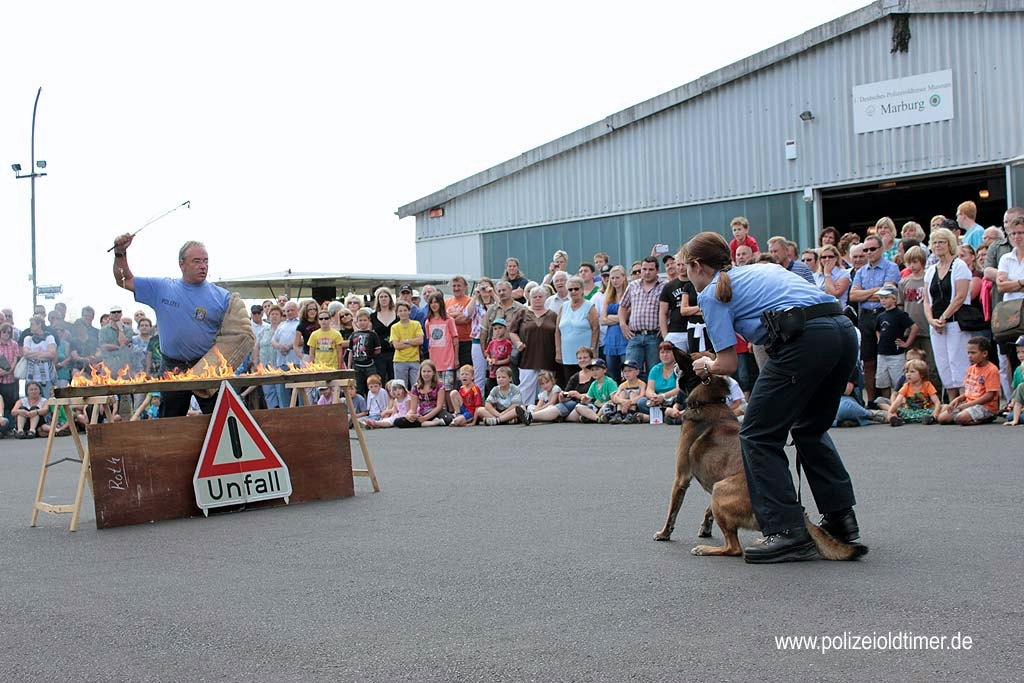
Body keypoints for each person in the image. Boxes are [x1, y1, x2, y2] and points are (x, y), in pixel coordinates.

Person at [681, 231, 863, 564]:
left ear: (696, 265)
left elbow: (727, 363)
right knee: (810, 428)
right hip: (843, 332)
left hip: (805, 341)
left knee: (757, 433)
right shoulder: (764, 268)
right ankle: (841, 518)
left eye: (685, 269)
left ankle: (788, 531)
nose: (686, 277)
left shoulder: (711, 294)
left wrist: (704, 363)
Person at [111, 236, 243, 417]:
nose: (203, 266)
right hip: (172, 366)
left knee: (223, 417)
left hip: (207, 366)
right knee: (170, 422)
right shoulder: (162, 288)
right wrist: (120, 253)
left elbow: (235, 335)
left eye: (205, 261)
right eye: (196, 261)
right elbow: (124, 280)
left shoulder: (222, 297)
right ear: (182, 264)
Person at [850, 233, 902, 406]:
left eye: (872, 249)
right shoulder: (860, 271)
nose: (869, 252)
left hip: (884, 313)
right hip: (865, 316)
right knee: (868, 359)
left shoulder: (891, 267)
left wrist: (868, 293)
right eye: (866, 249)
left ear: (881, 249)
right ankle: (871, 400)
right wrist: (876, 291)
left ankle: (892, 399)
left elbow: (888, 293)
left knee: (888, 356)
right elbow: (854, 295)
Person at [923, 227, 972, 400]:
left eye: (941, 242)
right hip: (936, 325)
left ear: (949, 243)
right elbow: (927, 300)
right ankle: (952, 402)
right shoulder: (930, 270)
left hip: (955, 322)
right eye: (935, 242)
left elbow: (959, 296)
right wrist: (931, 320)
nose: (938, 245)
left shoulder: (959, 266)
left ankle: (965, 400)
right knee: (943, 364)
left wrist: (943, 318)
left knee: (957, 362)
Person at [509, 286, 558, 406]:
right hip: (528, 356)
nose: (537, 299)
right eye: (534, 297)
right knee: (526, 385)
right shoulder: (523, 312)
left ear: (545, 298)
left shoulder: (553, 315)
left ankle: (544, 410)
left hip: (547, 355)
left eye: (540, 297)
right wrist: (518, 343)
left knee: (546, 385)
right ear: (529, 298)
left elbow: (558, 333)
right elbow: (512, 331)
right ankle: (524, 410)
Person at [619, 257, 665, 378]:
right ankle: (632, 396)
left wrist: (666, 325)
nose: (647, 272)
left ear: (657, 270)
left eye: (651, 269)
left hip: (654, 336)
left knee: (654, 371)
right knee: (630, 371)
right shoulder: (633, 285)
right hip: (635, 336)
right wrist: (623, 324)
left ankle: (652, 396)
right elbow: (623, 306)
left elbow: (669, 309)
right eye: (644, 269)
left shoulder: (664, 286)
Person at [936, 337, 1000, 425]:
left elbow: (989, 395)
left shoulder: (992, 369)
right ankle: (964, 416)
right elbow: (969, 392)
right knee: (942, 418)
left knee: (961, 418)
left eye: (973, 353)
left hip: (985, 406)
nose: (969, 356)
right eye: (968, 353)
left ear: (984, 353)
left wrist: (967, 405)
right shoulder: (970, 369)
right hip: (969, 404)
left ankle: (986, 418)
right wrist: (957, 399)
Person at [874, 287, 918, 400]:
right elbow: (878, 329)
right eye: (881, 298)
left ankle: (899, 402)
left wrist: (907, 343)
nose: (883, 300)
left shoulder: (900, 314)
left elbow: (914, 327)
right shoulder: (880, 316)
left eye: (886, 298)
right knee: (882, 382)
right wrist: (879, 339)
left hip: (896, 354)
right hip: (882, 353)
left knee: (898, 381)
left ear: (894, 299)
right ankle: (887, 402)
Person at [555, 276, 599, 380]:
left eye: (576, 289)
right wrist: (558, 351)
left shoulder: (589, 306)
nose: (573, 291)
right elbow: (557, 330)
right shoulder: (563, 307)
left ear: (582, 289)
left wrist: (592, 349)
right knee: (569, 383)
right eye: (570, 289)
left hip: (585, 356)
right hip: (567, 355)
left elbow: (596, 329)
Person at [394, 360, 451, 428]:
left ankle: (427, 423)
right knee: (398, 422)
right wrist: (409, 415)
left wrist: (425, 418)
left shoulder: (440, 385)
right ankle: (434, 423)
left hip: (437, 412)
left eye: (429, 371)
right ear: (420, 373)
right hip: (422, 413)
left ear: (433, 373)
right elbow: (413, 409)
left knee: (449, 419)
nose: (426, 374)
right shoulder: (415, 387)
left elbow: (439, 407)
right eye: (424, 371)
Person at [887, 359, 941, 426]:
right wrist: (891, 412)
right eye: (906, 372)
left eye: (912, 372)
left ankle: (931, 419)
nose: (908, 374)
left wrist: (935, 413)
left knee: (944, 407)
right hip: (909, 412)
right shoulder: (906, 386)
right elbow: (898, 401)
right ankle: (895, 420)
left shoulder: (927, 385)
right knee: (892, 412)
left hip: (925, 411)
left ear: (922, 374)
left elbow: (937, 402)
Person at [424, 292, 460, 392]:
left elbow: (455, 340)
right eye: (431, 303)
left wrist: (456, 358)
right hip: (434, 361)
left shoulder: (449, 320)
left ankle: (450, 408)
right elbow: (430, 341)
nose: (434, 305)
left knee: (447, 388)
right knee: (436, 388)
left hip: (448, 360)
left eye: (436, 302)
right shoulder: (428, 322)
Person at [638, 341, 681, 422]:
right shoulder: (655, 369)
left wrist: (663, 396)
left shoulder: (679, 368)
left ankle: (651, 417)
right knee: (641, 402)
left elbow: (678, 389)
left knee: (684, 402)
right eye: (662, 352)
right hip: (658, 401)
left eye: (668, 352)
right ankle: (668, 414)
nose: (665, 355)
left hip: (674, 399)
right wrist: (653, 397)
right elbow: (649, 389)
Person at [600, 265, 630, 381]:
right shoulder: (609, 297)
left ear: (623, 277)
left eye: (617, 278)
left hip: (624, 336)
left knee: (627, 370)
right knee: (612, 374)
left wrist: (611, 317)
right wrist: (620, 317)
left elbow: (628, 316)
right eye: (612, 278)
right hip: (610, 339)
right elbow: (602, 320)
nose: (614, 281)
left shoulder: (629, 294)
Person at [389, 301, 424, 389]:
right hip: (400, 360)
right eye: (400, 311)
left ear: (409, 311)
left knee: (417, 386)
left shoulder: (416, 324)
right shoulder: (394, 327)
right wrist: (413, 343)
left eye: (405, 310)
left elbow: (420, 340)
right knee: (401, 387)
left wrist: (406, 341)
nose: (403, 313)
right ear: (397, 313)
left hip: (414, 359)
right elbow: (396, 346)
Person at [349, 309, 382, 397]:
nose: (362, 322)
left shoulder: (373, 334)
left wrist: (370, 355)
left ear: (369, 321)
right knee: (358, 387)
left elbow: (378, 350)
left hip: (369, 365)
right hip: (357, 365)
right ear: (356, 322)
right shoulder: (353, 335)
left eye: (365, 320)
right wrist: (349, 366)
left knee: (372, 386)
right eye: (360, 320)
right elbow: (351, 351)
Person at [605, 358, 646, 424]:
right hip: (623, 406)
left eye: (630, 371)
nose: (627, 373)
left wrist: (629, 402)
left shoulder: (641, 383)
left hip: (634, 405)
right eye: (625, 371)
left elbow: (642, 395)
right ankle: (618, 414)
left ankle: (631, 414)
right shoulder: (622, 385)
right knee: (622, 393)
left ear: (637, 372)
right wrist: (623, 402)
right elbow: (615, 397)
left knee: (632, 393)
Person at [370, 287, 398, 384]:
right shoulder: (373, 316)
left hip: (395, 352)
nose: (383, 299)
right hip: (379, 354)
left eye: (386, 296)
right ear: (377, 300)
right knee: (380, 379)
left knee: (394, 379)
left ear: (390, 298)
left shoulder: (397, 315)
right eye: (381, 297)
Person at [445, 276, 475, 368]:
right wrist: (458, 314)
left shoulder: (470, 301)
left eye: (459, 286)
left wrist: (450, 317)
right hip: (451, 343)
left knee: (466, 370)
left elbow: (465, 319)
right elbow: (444, 320)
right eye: (454, 286)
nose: (456, 288)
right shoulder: (446, 302)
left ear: (465, 287)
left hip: (467, 341)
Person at [484, 318, 513, 396]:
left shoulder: (507, 343)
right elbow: (487, 354)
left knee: (504, 390)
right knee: (492, 391)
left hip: (504, 372)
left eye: (500, 328)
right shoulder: (492, 343)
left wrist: (498, 362)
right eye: (495, 329)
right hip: (493, 373)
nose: (497, 331)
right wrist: (489, 360)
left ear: (505, 329)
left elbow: (509, 358)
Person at [1002, 336, 1024, 426]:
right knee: (1010, 416)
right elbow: (1017, 392)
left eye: (1023, 352)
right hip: (1021, 406)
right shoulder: (1018, 370)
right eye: (1018, 352)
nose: (1020, 355)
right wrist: (1012, 403)